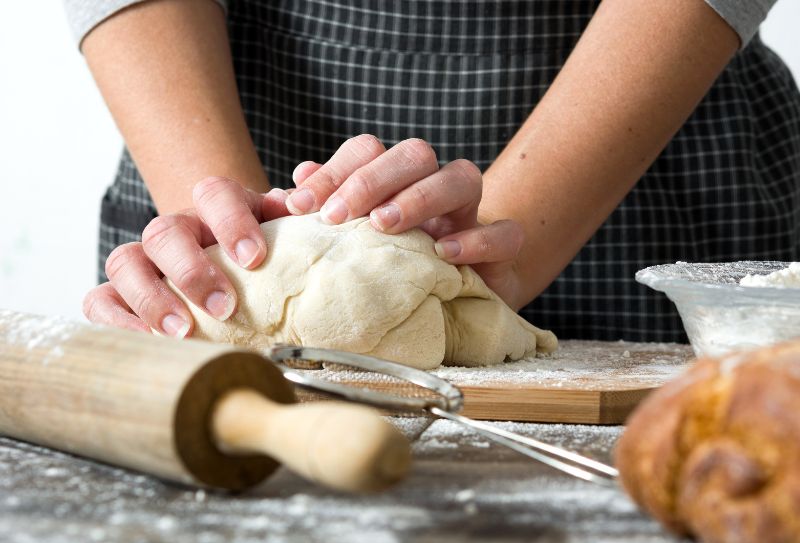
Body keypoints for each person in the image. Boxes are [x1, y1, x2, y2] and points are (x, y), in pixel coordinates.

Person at [70, 0, 799, 342]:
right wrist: (240, 258)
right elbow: (235, 256)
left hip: (649, 136)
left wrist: (483, 253)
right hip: (222, 104)